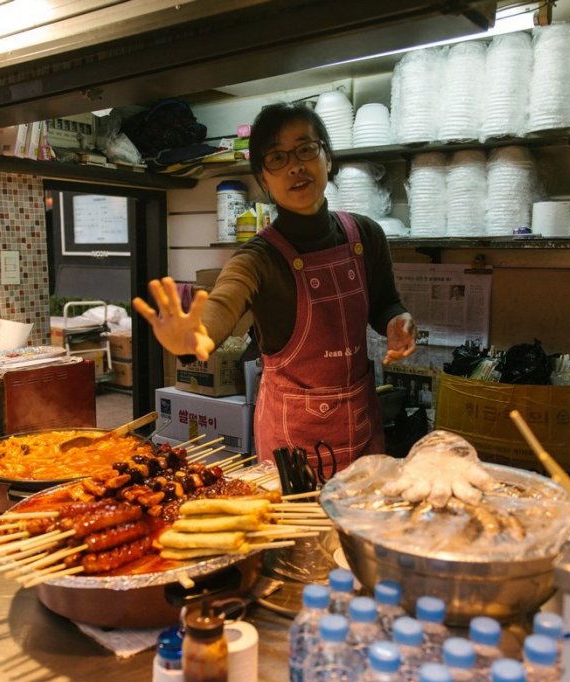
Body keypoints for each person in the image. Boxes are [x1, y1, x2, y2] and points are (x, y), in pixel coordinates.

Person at [134, 102, 415, 470]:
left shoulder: (366, 234)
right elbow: (222, 304)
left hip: (361, 421)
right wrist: (193, 338)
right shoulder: (258, 258)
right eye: (277, 158)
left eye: (305, 149)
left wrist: (398, 321)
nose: (295, 166)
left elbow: (385, 303)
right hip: (292, 439)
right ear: (264, 179)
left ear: (326, 158)